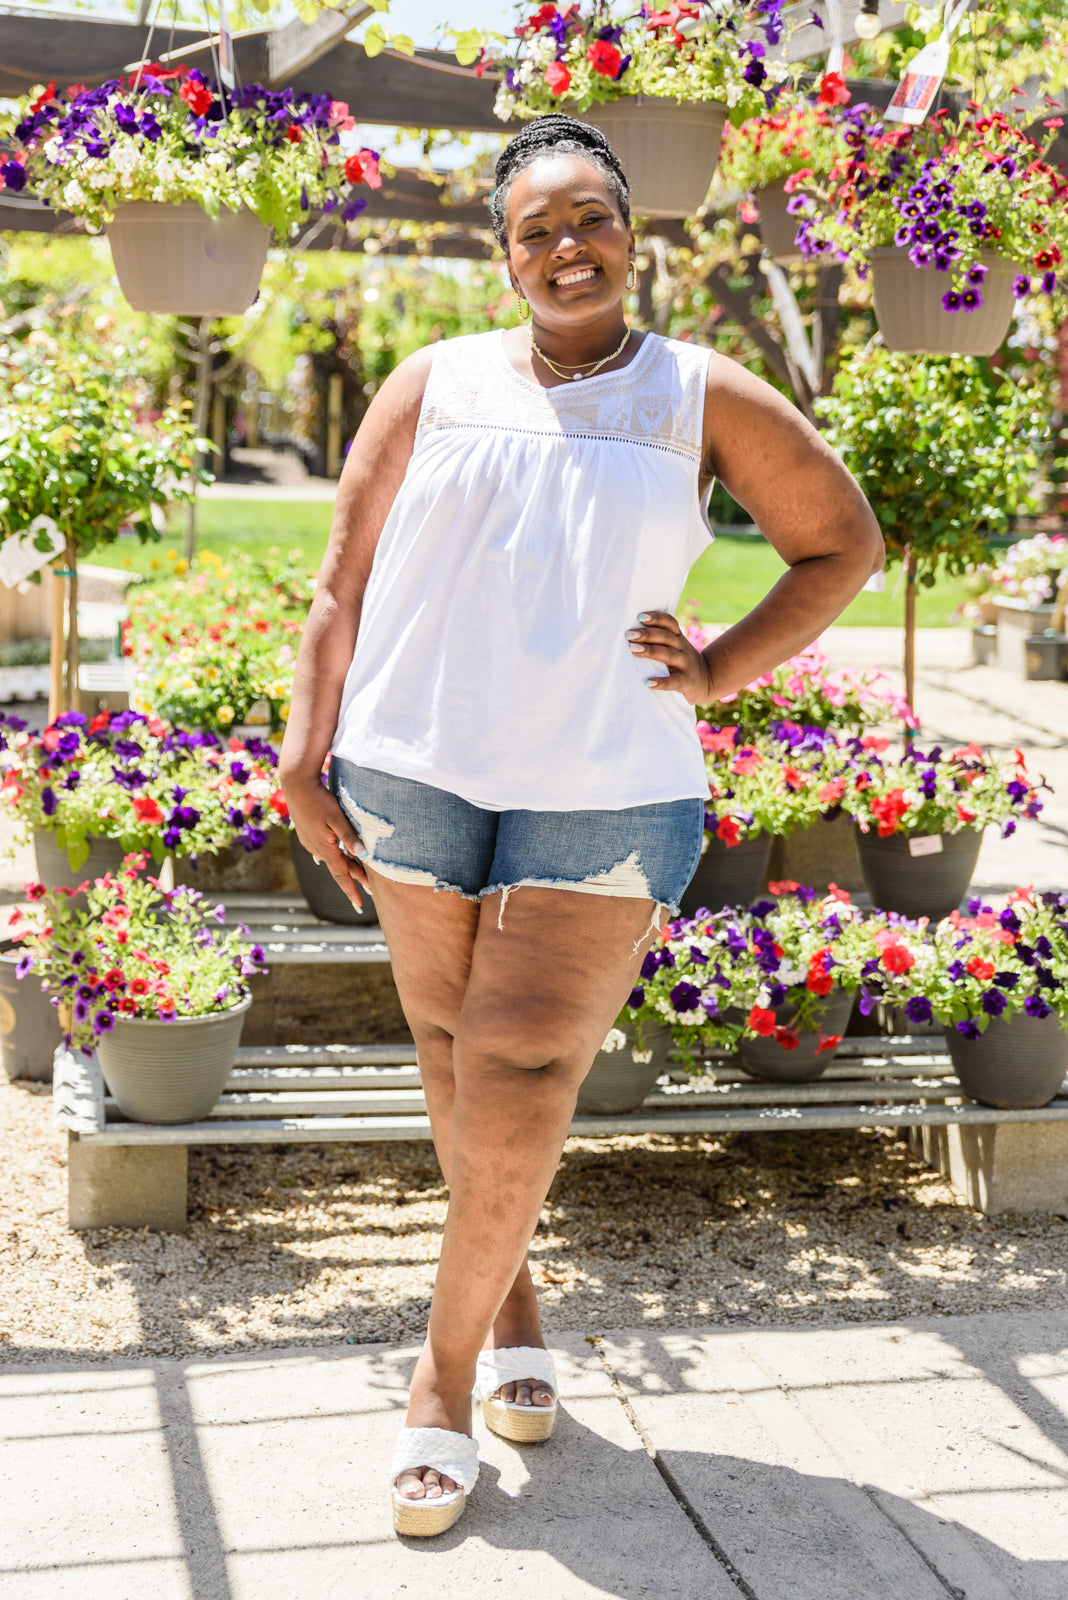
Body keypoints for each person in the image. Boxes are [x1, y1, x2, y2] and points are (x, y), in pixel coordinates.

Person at [279, 113, 883, 1537]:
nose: (567, 246)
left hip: (606, 778)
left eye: (590, 219)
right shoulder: (432, 382)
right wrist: (305, 756)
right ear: (505, 252)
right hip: (413, 765)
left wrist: (724, 667)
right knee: (451, 1056)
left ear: (634, 235)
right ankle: (511, 1309)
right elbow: (338, 585)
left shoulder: (697, 393)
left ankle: (436, 1383)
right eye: (537, 227)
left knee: (526, 1061)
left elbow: (839, 540)